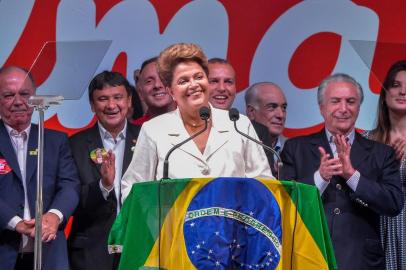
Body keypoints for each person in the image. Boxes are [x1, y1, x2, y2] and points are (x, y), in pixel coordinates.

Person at [280, 73, 403, 269]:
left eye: (351, 101)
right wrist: (320, 177)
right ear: (322, 107)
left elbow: (394, 203)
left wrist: (352, 176)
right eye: (335, 101)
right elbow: (285, 205)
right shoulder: (296, 148)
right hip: (310, 256)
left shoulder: (381, 153)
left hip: (361, 260)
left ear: (359, 107)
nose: (343, 109)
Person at [121, 43, 272, 201]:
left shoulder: (239, 124)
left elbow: (264, 183)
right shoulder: (154, 130)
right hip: (174, 225)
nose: (194, 85)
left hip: (232, 224)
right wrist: (157, 220)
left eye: (199, 77)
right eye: (183, 81)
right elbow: (132, 188)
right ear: (171, 91)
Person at [0, 66, 80, 270]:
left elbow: (70, 185)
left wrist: (54, 216)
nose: (18, 101)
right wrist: (16, 223)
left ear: (35, 97)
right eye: (9, 95)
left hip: (49, 252)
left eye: (25, 94)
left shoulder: (55, 140)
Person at [68, 71, 141, 270]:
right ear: (92, 105)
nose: (111, 105)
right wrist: (103, 186)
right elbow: (70, 198)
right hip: (91, 251)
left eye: (118, 97)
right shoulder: (75, 144)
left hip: (140, 244)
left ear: (129, 101)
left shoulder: (146, 138)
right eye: (102, 99)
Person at [365, 60, 406, 270]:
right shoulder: (367, 141)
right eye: (396, 85)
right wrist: (388, 168)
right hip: (375, 232)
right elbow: (358, 190)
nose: (403, 91)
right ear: (384, 93)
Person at [245, 82, 287, 176]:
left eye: (284, 108)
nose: (281, 115)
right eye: (272, 107)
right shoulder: (237, 146)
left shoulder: (292, 150)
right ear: (251, 112)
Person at [132, 57, 176, 125]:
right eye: (149, 81)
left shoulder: (196, 119)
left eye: (163, 78)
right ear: (140, 93)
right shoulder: (134, 131)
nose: (157, 85)